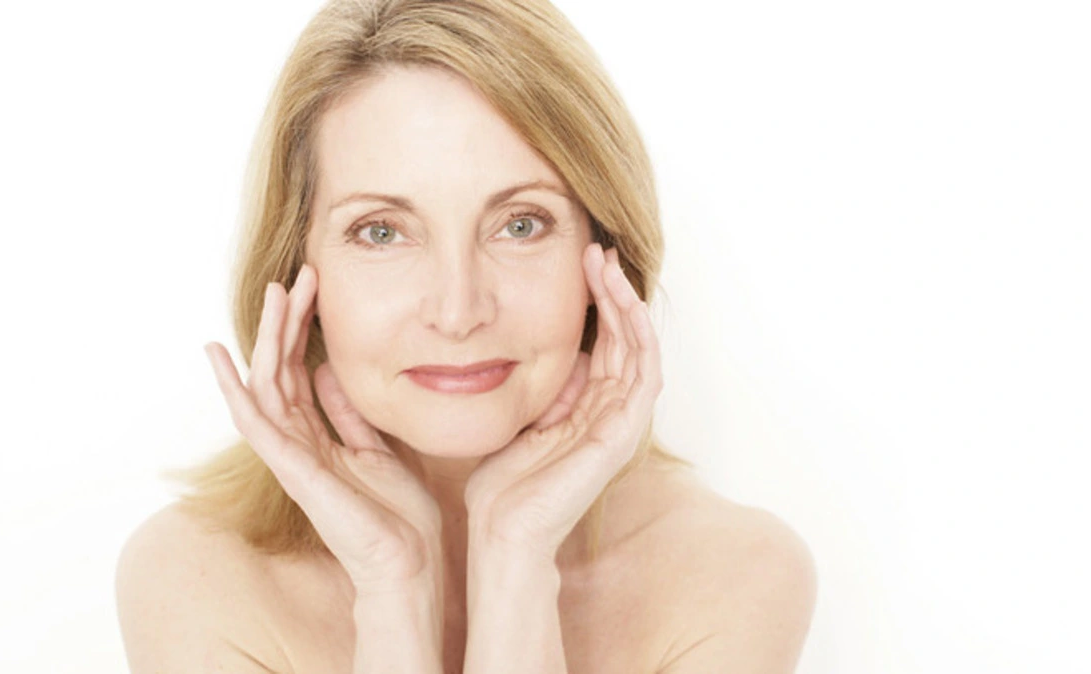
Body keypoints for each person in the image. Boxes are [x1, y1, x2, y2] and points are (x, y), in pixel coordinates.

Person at [115, 1, 817, 672]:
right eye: (381, 232)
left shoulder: (734, 577)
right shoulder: (195, 577)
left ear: (606, 257)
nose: (457, 312)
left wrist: (517, 559)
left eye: (520, 225)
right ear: (297, 272)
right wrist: (392, 583)